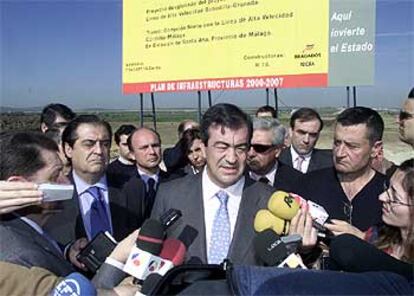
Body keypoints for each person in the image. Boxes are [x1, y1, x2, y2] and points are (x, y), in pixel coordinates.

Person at [151, 103, 274, 265]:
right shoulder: (169, 195)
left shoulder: (268, 199)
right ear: (203, 147)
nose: (231, 158)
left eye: (240, 148)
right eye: (222, 147)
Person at [44, 115, 144, 245]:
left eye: (105, 144)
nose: (99, 151)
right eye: (89, 144)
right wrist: (68, 251)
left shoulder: (133, 187)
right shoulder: (53, 196)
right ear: (68, 150)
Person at [296, 107, 387, 232]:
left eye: (352, 146)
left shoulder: (390, 194)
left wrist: (364, 240)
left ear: (375, 149)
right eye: (337, 143)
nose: (339, 153)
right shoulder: (307, 185)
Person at [122, 127, 179, 221]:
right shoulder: (121, 186)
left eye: (155, 146)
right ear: (132, 154)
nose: (152, 152)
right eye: (144, 148)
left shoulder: (176, 182)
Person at [246, 117, 302, 192]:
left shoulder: (297, 181)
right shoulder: (233, 178)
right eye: (247, 146)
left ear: (277, 151)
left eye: (260, 148)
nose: (251, 153)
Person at [279, 108, 333, 173]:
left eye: (312, 135)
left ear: (318, 135)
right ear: (291, 131)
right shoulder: (276, 159)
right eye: (301, 133)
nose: (306, 140)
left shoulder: (330, 162)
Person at [107, 124, 137, 189]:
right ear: (118, 145)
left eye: (133, 144)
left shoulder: (147, 168)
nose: (130, 148)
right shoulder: (110, 172)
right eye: (125, 144)